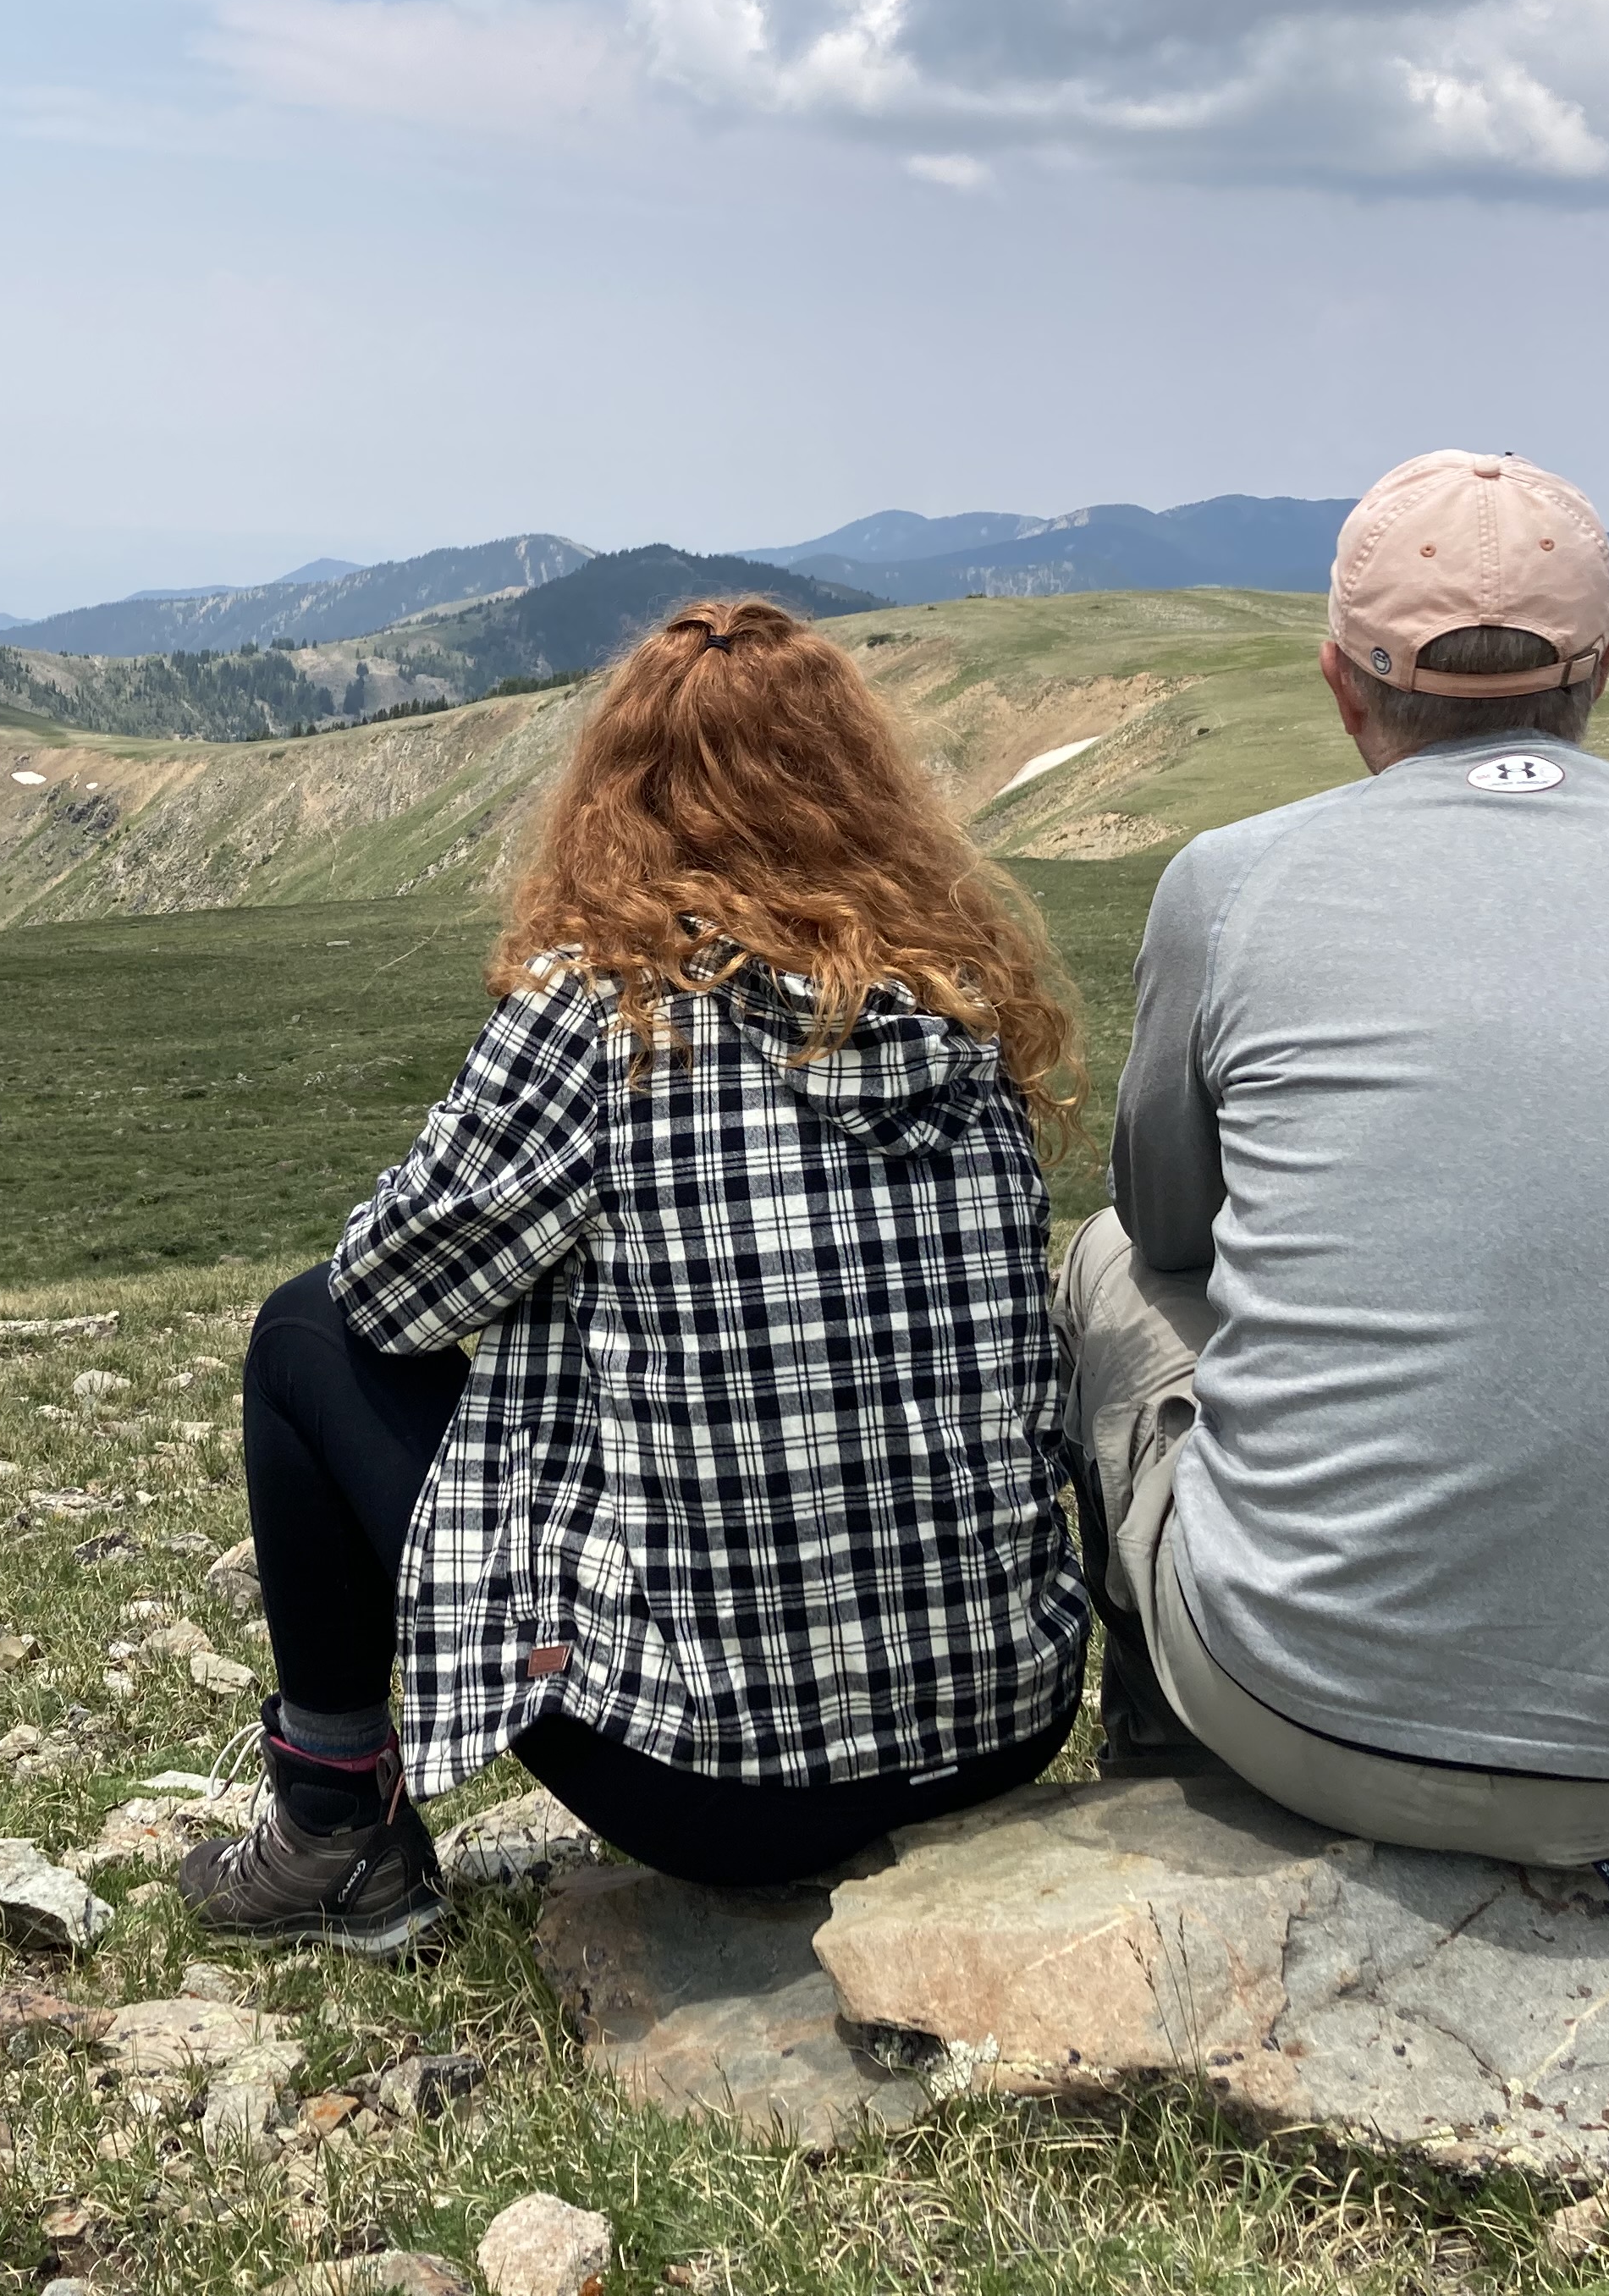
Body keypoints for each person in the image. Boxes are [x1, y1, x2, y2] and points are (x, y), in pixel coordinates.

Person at [181, 597, 1094, 1951]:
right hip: (1005, 1730)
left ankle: (332, 1829)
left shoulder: (607, 1014)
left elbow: (387, 1292)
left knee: (303, 1332)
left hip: (716, 1796)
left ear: (620, 797)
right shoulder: (961, 1009)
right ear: (863, 785)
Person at [1055, 449, 1609, 1881]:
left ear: (1340, 683)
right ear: (1604, 670)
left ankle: (1171, 1770)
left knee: (1105, 1261)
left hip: (1308, 1721)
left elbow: (1170, 1228)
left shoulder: (1231, 882)